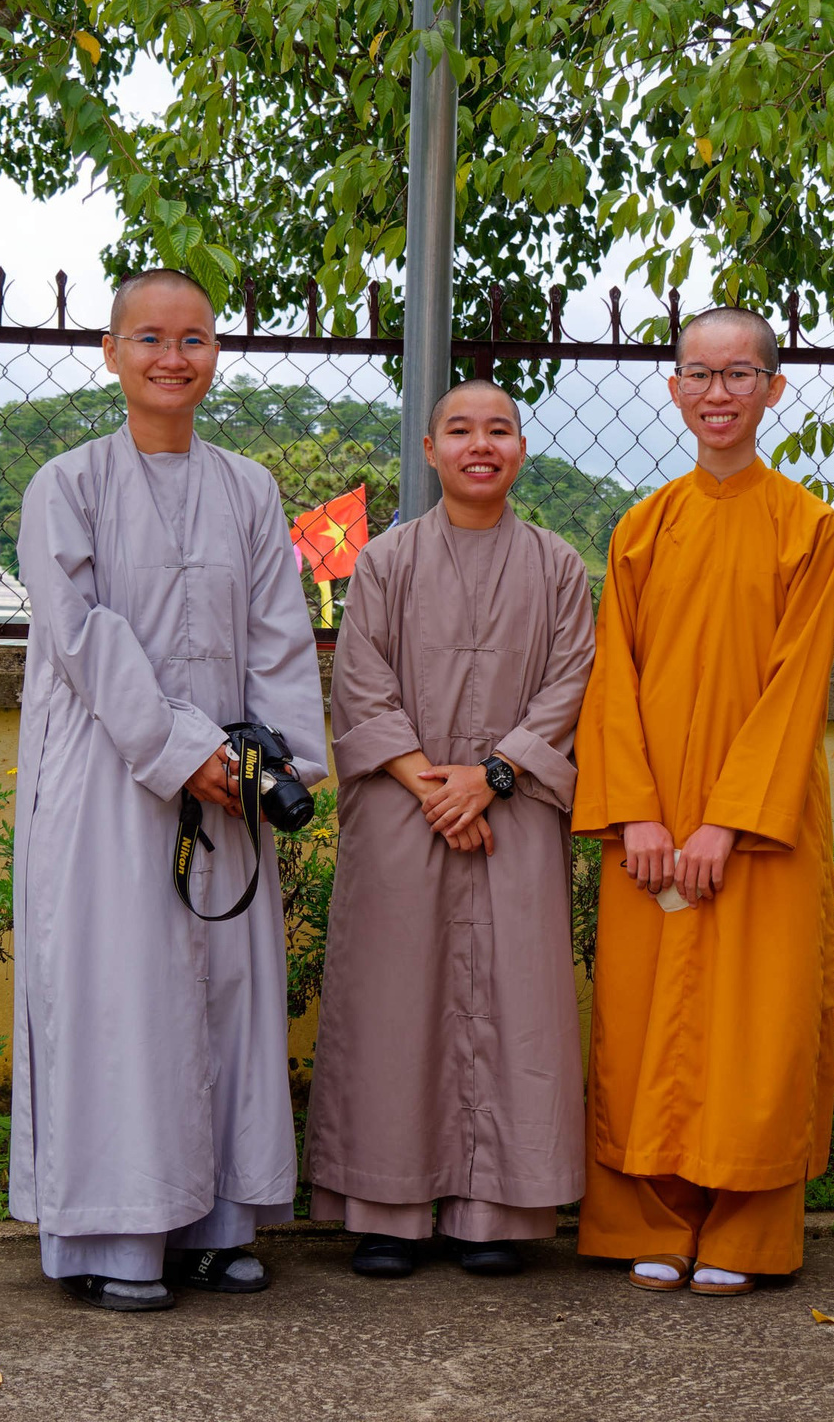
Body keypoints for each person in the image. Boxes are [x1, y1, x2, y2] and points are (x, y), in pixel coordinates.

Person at [10, 268, 328, 1312]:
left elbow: (279, 634)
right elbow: (83, 638)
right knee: (119, 998)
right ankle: (115, 1237)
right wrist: (182, 748)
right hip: (108, 781)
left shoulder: (249, 489)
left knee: (224, 992)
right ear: (111, 353)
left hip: (229, 785)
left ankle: (218, 1226)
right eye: (149, 338)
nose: (171, 357)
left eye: (192, 339)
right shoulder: (66, 484)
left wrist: (276, 764)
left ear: (214, 356)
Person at [571, 306, 834, 1297]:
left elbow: (795, 688)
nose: (717, 392)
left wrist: (728, 820)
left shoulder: (809, 528)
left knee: (757, 1021)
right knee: (643, 1016)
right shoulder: (643, 528)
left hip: (760, 821)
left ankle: (746, 1229)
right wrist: (637, 812)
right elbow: (613, 678)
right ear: (674, 388)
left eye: (739, 375)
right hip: (650, 819)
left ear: (774, 388)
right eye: (699, 373)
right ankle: (645, 1218)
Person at [304, 378, 596, 1279]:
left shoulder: (558, 567)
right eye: (460, 430)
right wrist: (436, 788)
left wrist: (492, 777)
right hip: (405, 812)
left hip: (514, 810)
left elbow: (571, 683)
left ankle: (496, 1211)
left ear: (520, 449)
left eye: (499, 429)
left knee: (517, 1001)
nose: (481, 445)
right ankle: (386, 1209)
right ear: (430, 450)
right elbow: (361, 683)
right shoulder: (386, 561)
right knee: (393, 1001)